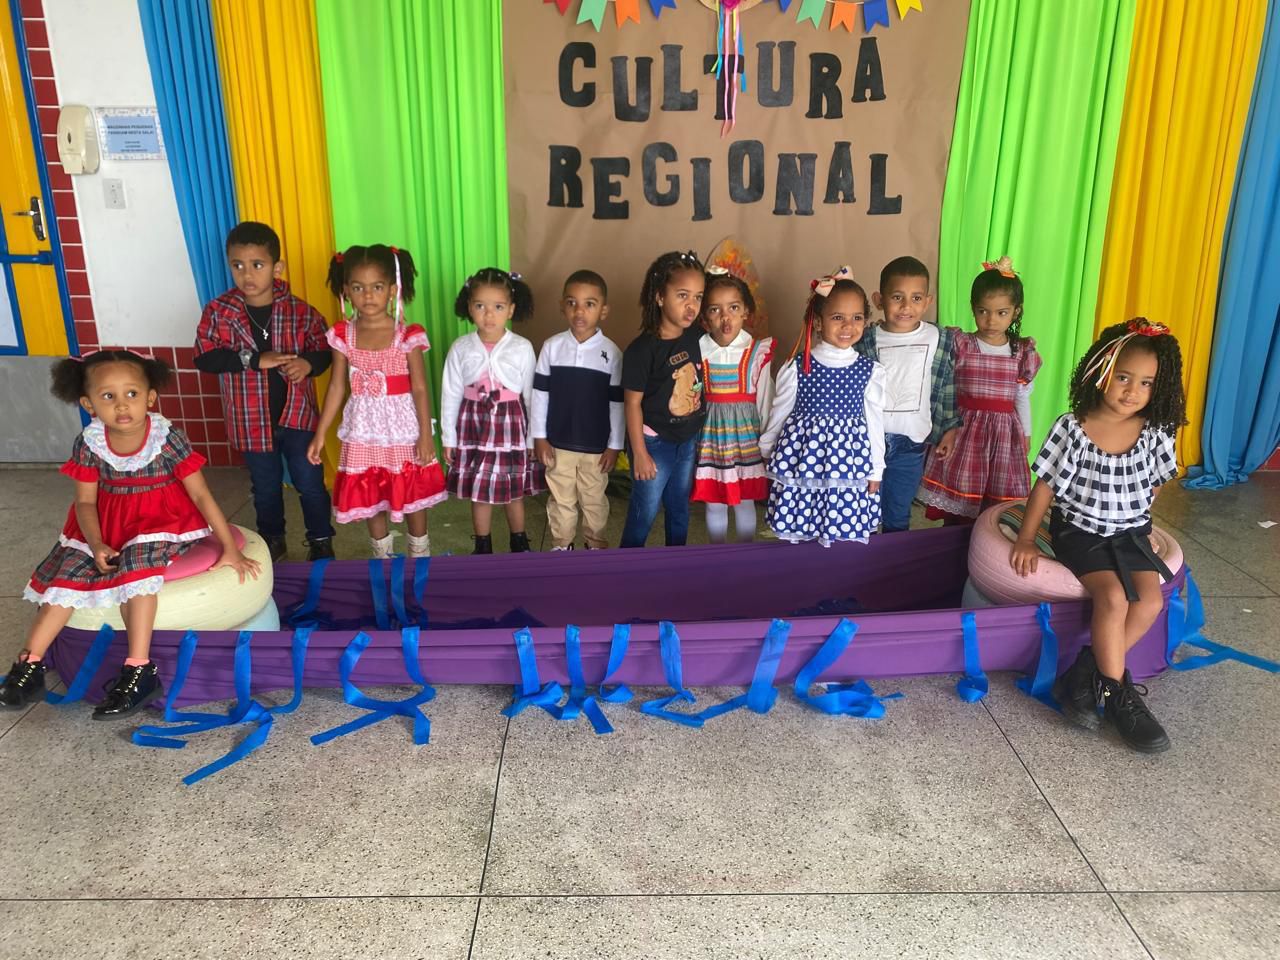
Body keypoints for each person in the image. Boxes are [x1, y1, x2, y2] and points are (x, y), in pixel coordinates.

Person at [1, 352, 259, 717]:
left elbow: (201, 494)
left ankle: (139, 671)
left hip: (160, 519)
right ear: (88, 404)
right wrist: (96, 543)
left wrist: (230, 548)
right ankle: (29, 667)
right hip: (106, 521)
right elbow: (85, 502)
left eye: (132, 394)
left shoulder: (166, 438)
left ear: (150, 397)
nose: (122, 405)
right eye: (108, 396)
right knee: (66, 577)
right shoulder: (89, 442)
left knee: (136, 572)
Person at [1011, 319, 1186, 753]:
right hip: (1081, 532)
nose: (1132, 391)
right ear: (1100, 371)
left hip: (1131, 534)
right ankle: (1116, 692)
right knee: (1112, 598)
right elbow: (1045, 487)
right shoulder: (1074, 427)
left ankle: (1085, 673)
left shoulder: (1156, 432)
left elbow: (1155, 484)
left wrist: (1134, 518)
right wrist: (1027, 539)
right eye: (1123, 377)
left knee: (1150, 601)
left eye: (1146, 383)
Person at [194, 221, 335, 562]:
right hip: (250, 421)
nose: (247, 274)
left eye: (257, 265)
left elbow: (325, 350)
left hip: (298, 418)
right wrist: (255, 359)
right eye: (238, 265)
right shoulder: (219, 312)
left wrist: (308, 364)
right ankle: (273, 540)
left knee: (309, 481)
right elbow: (204, 357)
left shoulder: (301, 312)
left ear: (277, 267)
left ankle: (321, 540)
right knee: (266, 486)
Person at [308, 245, 446, 559]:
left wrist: (426, 435)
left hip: (402, 429)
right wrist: (320, 433)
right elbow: (336, 387)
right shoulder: (343, 335)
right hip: (363, 429)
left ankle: (419, 554)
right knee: (370, 492)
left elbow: (420, 388)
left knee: (410, 490)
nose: (368, 295)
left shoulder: (407, 335)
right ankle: (382, 558)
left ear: (393, 290)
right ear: (346, 291)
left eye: (377, 287)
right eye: (358, 288)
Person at [759, 267, 885, 546]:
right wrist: (768, 448)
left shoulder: (870, 371)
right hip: (803, 460)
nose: (848, 326)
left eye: (857, 318)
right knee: (802, 523)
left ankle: (835, 568)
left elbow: (875, 423)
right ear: (817, 322)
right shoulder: (797, 367)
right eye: (838, 317)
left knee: (840, 527)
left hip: (848, 462)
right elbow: (780, 412)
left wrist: (876, 469)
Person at [918, 257, 1042, 522]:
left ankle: (984, 540)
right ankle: (953, 534)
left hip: (1003, 436)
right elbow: (944, 387)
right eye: (983, 311)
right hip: (964, 432)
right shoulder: (960, 344)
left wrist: (1027, 433)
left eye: (1001, 313)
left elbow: (1021, 397)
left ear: (1016, 311)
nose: (991, 320)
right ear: (973, 308)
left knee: (995, 506)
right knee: (959, 495)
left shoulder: (1021, 353)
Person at [441, 268, 544, 554]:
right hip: (473, 425)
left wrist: (533, 439)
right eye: (480, 306)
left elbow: (532, 396)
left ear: (511, 309)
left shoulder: (521, 347)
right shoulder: (461, 348)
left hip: (510, 425)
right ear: (469, 307)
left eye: (498, 307)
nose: (489, 315)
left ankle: (519, 541)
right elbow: (450, 394)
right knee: (481, 490)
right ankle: (482, 544)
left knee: (513, 490)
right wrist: (449, 438)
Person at [857, 255, 960, 532]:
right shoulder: (865, 339)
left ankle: (893, 559)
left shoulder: (939, 339)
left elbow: (947, 386)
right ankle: (863, 557)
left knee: (898, 515)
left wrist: (950, 429)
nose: (906, 307)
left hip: (911, 444)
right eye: (897, 297)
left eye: (916, 298)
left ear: (928, 301)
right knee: (863, 513)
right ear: (879, 300)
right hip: (868, 442)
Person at [531, 270, 624, 551]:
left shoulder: (612, 353)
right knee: (561, 498)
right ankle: (562, 545)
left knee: (594, 498)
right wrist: (539, 437)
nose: (579, 311)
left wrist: (614, 446)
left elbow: (617, 404)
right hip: (558, 443)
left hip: (595, 446)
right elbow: (539, 395)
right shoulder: (552, 347)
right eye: (572, 303)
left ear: (603, 310)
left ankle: (595, 544)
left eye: (589, 304)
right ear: (562, 306)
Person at [619, 251, 707, 548]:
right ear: (659, 297)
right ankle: (627, 564)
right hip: (654, 445)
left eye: (697, 297)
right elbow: (632, 404)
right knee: (645, 512)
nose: (691, 305)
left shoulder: (696, 335)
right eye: (682, 295)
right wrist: (640, 453)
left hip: (687, 440)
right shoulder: (641, 350)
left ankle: (677, 564)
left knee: (679, 508)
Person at [692, 266, 774, 543]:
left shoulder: (756, 352)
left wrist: (767, 445)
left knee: (745, 500)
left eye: (733, 307)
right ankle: (716, 553)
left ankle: (745, 554)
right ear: (704, 316)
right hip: (711, 438)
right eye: (715, 310)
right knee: (714, 501)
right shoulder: (698, 350)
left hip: (746, 439)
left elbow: (765, 402)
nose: (725, 317)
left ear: (746, 311)